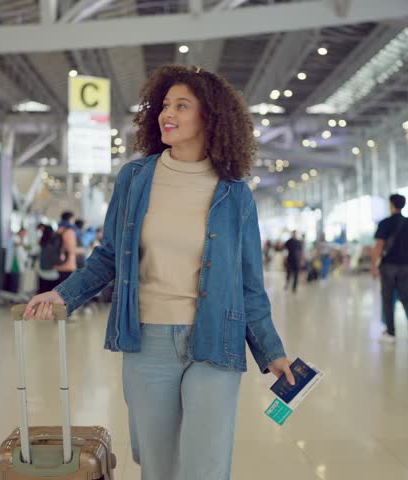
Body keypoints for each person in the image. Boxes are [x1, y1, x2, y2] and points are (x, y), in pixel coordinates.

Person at [23, 64, 294, 480]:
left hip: (216, 339)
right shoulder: (136, 178)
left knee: (206, 465)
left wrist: (271, 350)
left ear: (210, 116)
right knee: (158, 465)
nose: (168, 113)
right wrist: (63, 295)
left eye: (182, 106)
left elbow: (248, 283)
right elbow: (110, 255)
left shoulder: (235, 193)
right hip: (147, 339)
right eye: (165, 105)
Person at [371, 194, 408, 346]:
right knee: (406, 297)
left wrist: (373, 267)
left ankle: (391, 332)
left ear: (391, 205)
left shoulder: (385, 224)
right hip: (407, 266)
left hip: (388, 266)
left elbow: (378, 246)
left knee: (388, 299)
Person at [3, 228, 28, 293]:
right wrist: (24, 245)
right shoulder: (15, 238)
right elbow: (16, 244)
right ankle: (12, 293)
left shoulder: (21, 239)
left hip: (18, 263)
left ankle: (13, 292)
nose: (24, 234)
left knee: (15, 280)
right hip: (14, 264)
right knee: (13, 280)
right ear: (20, 232)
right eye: (23, 233)